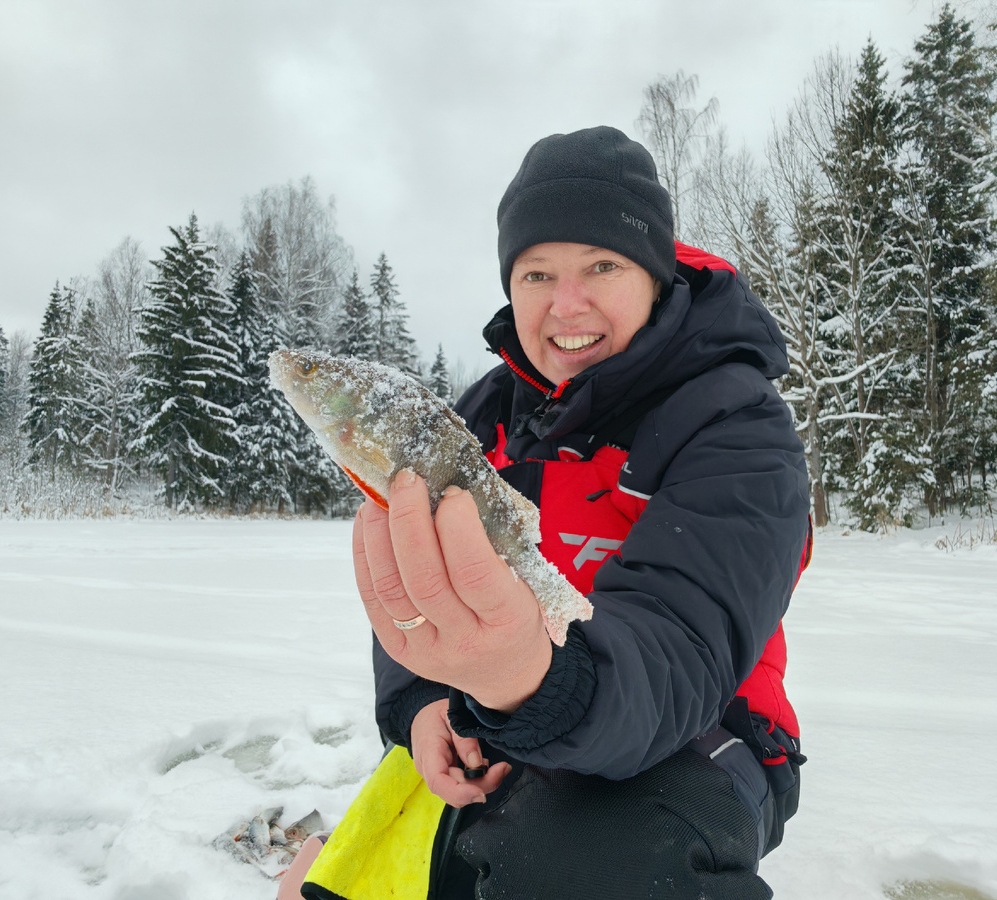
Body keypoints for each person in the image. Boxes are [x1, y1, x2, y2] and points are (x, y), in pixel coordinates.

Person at [292, 126, 810, 900]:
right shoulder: (481, 418)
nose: (567, 304)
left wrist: (531, 678)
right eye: (537, 274)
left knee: (581, 868)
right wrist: (424, 703)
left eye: (602, 265)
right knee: (353, 881)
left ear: (654, 274)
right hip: (499, 716)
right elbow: (423, 593)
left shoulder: (735, 421)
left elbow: (683, 646)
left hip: (706, 728)